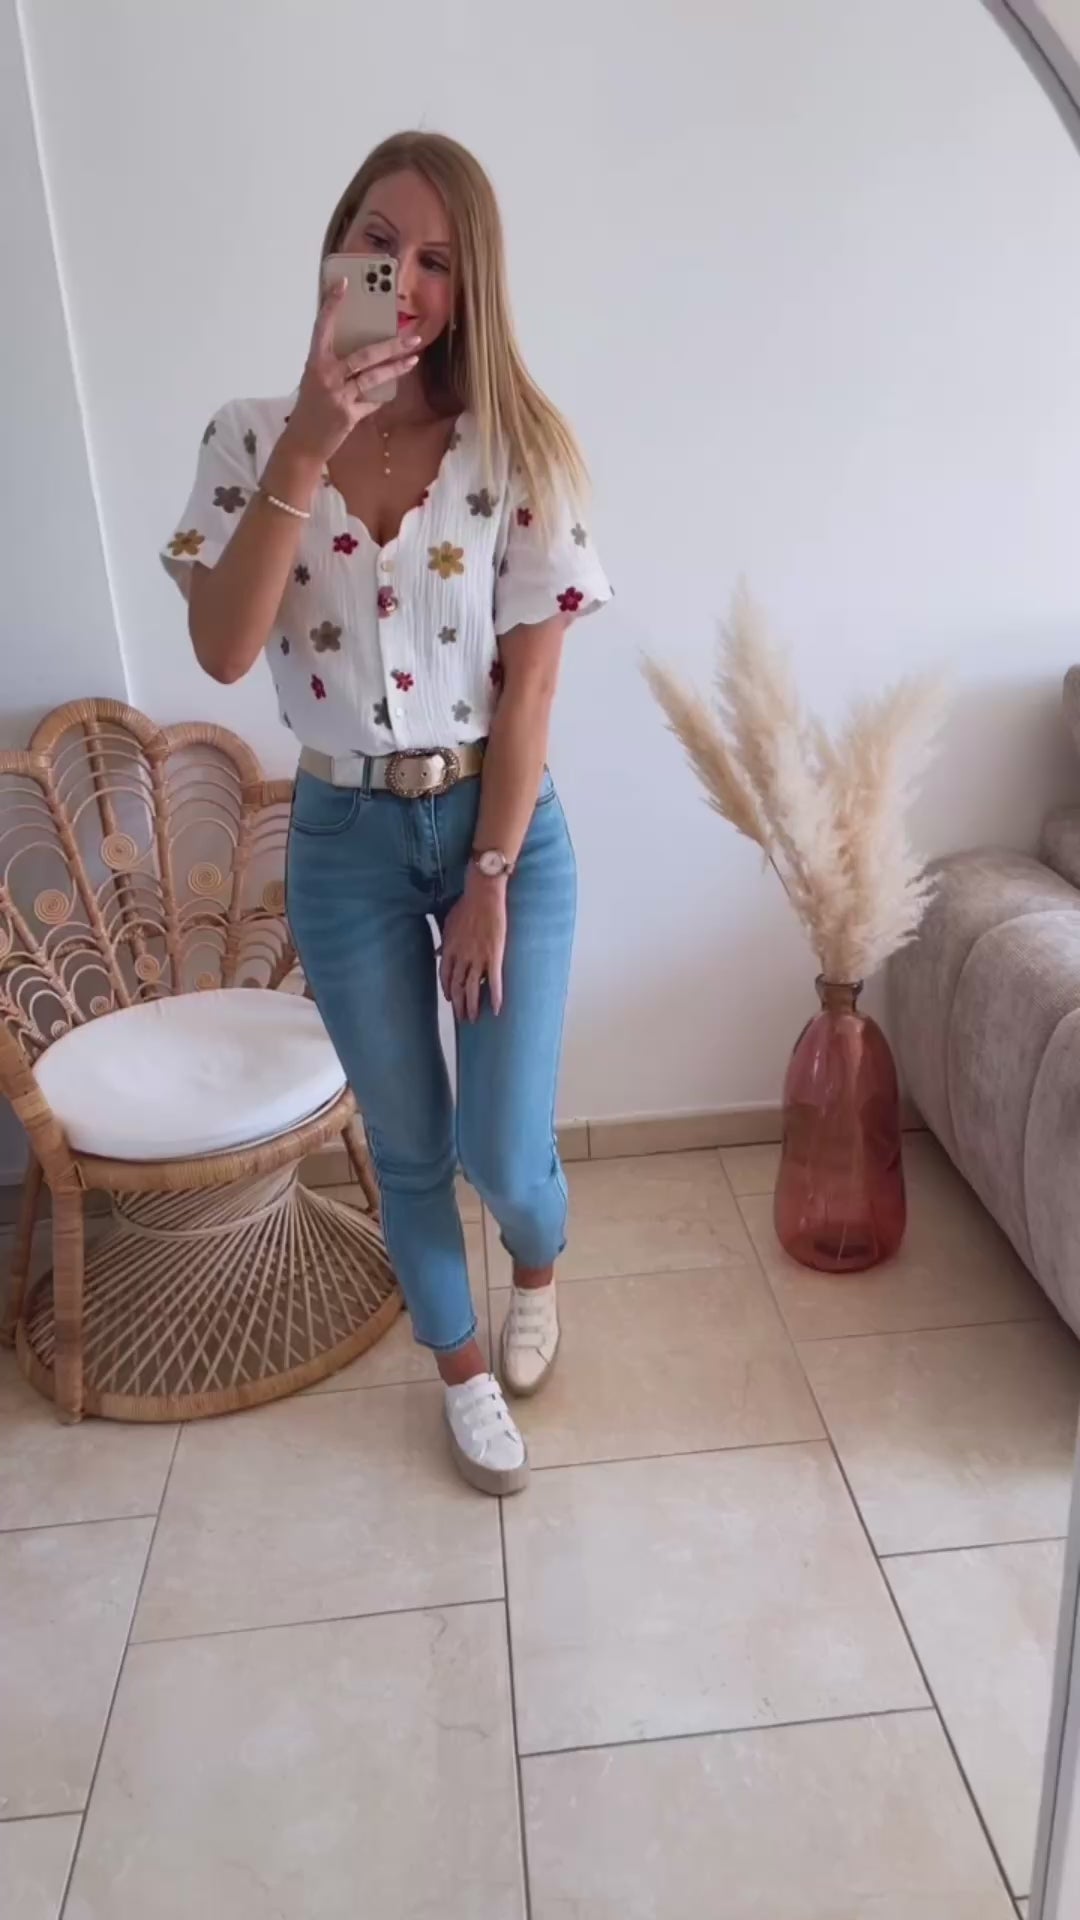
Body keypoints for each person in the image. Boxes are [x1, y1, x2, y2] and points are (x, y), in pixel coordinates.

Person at [161, 130, 611, 1495]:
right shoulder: (248, 438)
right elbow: (224, 652)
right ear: (335, 251)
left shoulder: (519, 449)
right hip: (344, 841)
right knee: (410, 1150)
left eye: (435, 260)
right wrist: (312, 440)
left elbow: (531, 694)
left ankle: (539, 1258)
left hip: (499, 827)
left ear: (471, 290)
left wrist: (489, 876)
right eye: (376, 242)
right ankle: (461, 1374)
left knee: (501, 1151)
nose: (400, 278)